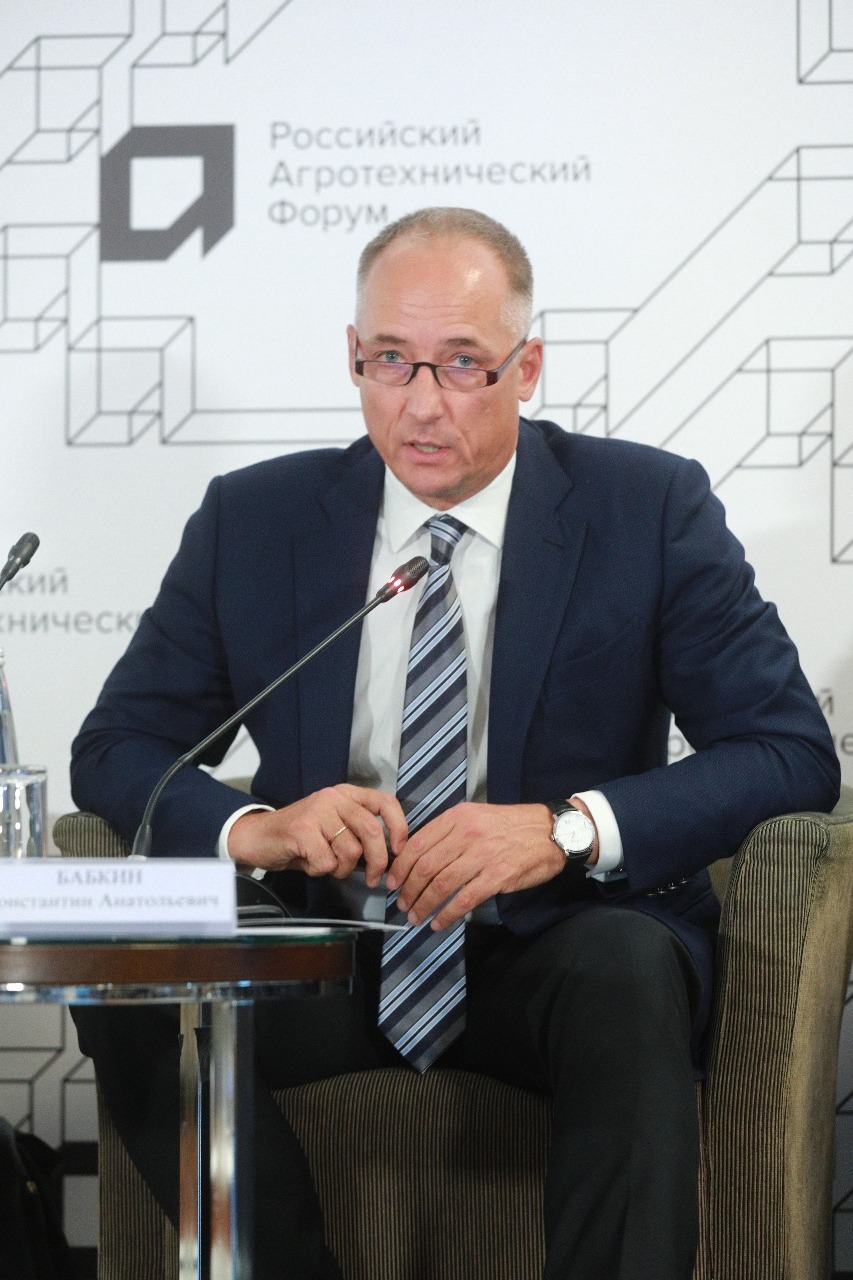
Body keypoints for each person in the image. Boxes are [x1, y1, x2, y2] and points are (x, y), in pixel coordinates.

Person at [70, 207, 840, 1280]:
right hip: (333, 947)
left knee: (627, 969)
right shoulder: (255, 519)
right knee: (121, 969)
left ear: (527, 368)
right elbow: (118, 742)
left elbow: (789, 750)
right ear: (353, 355)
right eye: (391, 360)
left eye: (463, 364)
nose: (421, 403)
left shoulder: (644, 509)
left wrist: (565, 829)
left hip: (555, 945)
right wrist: (259, 827)